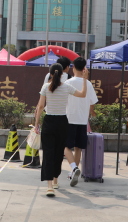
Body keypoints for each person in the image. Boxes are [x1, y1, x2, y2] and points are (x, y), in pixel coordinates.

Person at [34, 61, 90, 197]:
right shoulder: (66, 87)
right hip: (62, 122)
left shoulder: (46, 87)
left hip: (49, 122)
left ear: (51, 74)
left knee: (48, 153)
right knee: (59, 153)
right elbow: (83, 94)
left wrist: (36, 123)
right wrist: (84, 79)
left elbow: (40, 106)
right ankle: (55, 180)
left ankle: (49, 186)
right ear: (62, 74)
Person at [64, 57, 98, 179]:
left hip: (69, 118)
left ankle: (74, 168)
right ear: (84, 68)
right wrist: (90, 112)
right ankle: (74, 172)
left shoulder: (68, 83)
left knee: (66, 146)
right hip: (82, 119)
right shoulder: (87, 83)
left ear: (73, 67)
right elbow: (92, 102)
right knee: (78, 147)